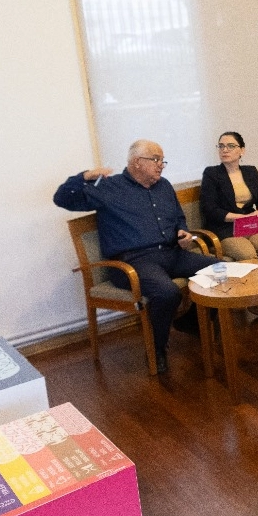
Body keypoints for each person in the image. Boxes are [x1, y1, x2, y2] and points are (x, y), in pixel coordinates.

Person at [53, 140, 218, 374]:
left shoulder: (164, 186)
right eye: (156, 159)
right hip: (133, 261)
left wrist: (183, 233)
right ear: (137, 162)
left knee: (219, 269)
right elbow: (62, 199)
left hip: (172, 253)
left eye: (163, 160)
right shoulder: (110, 188)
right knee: (166, 292)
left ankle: (190, 322)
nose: (161, 165)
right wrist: (87, 175)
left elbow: (179, 218)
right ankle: (157, 349)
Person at [200, 131, 258, 262]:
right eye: (221, 146)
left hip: (252, 225)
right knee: (247, 256)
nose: (225, 150)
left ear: (242, 150)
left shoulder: (250, 171)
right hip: (225, 229)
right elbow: (210, 209)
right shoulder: (211, 174)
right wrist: (242, 218)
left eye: (230, 146)